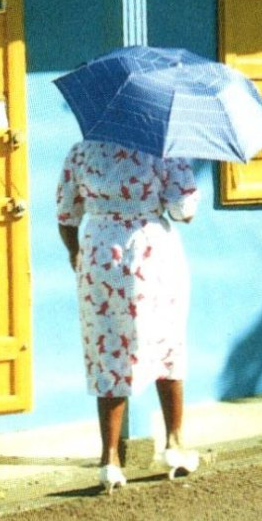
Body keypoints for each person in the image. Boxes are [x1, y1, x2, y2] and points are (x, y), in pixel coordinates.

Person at [56, 140, 200, 492]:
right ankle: (175, 445)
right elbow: (185, 210)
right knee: (166, 342)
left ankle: (110, 461)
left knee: (107, 347)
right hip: (152, 252)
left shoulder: (79, 151)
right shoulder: (163, 150)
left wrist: (77, 254)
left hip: (100, 253)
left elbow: (65, 215)